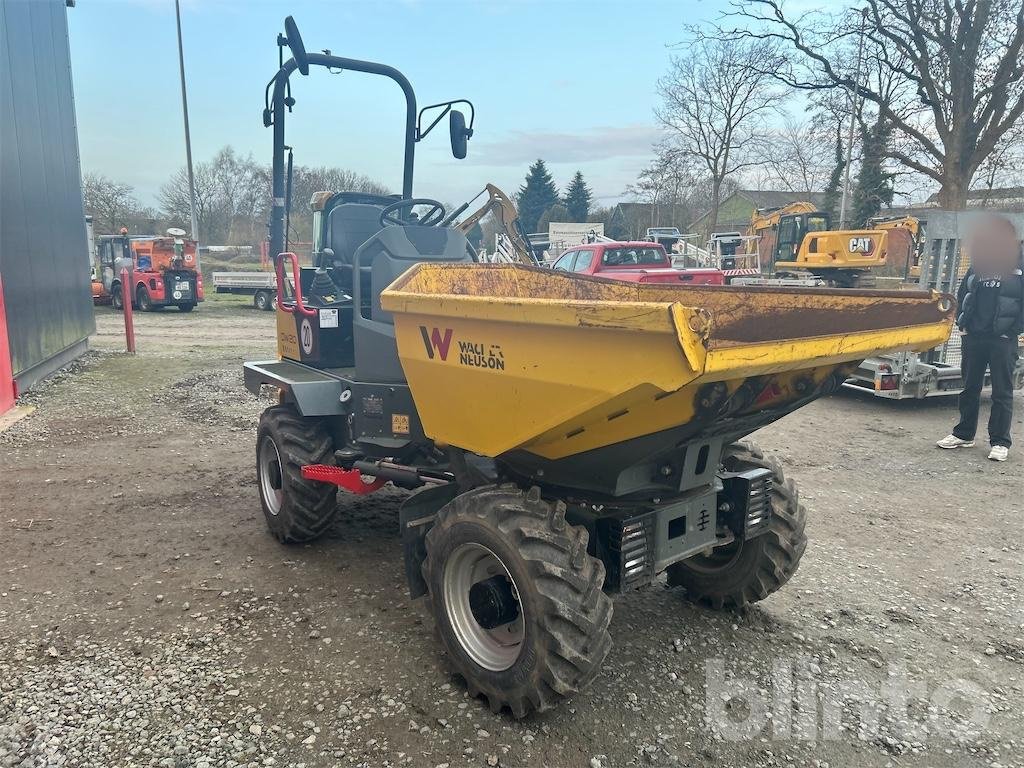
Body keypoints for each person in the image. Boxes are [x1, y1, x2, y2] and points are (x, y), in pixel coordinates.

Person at [937, 214, 1023, 461]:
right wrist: (963, 324)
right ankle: (964, 434)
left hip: (1003, 339)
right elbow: (964, 292)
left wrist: (1013, 329)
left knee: (1002, 392)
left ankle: (1000, 441)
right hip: (974, 336)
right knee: (969, 387)